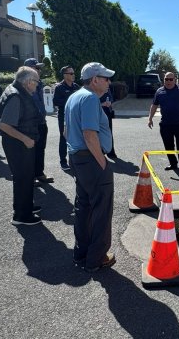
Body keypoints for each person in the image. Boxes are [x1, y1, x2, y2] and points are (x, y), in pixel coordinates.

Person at [64, 62, 117, 272]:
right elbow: (89, 134)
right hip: (91, 160)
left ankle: (82, 254)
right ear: (95, 80)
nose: (109, 82)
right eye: (105, 78)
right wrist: (102, 163)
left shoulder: (74, 96)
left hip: (78, 157)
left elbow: (66, 131)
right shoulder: (89, 98)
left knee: (84, 207)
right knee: (101, 210)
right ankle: (96, 258)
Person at [0, 66, 44, 226]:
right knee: (23, 178)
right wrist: (25, 139)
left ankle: (26, 207)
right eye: (36, 82)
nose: (38, 85)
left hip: (20, 143)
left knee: (25, 177)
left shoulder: (16, 91)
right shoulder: (16, 96)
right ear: (28, 82)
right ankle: (21, 215)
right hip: (18, 144)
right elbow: (4, 125)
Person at [24, 58, 53, 184]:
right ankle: (30, 178)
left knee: (41, 149)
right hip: (30, 124)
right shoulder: (24, 84)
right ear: (29, 69)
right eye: (37, 67)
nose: (39, 70)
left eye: (39, 68)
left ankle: (39, 173)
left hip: (41, 122)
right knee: (30, 151)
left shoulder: (39, 83)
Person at [53, 65, 80, 171]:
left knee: (76, 137)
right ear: (65, 75)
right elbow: (56, 102)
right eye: (71, 73)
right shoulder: (59, 87)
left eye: (73, 73)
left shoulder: (76, 86)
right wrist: (70, 102)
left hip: (75, 117)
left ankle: (74, 160)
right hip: (63, 117)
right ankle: (63, 162)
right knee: (64, 138)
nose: (73, 75)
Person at [100, 86, 117, 160]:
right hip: (99, 114)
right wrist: (102, 104)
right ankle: (101, 152)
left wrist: (110, 102)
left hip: (107, 113)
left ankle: (111, 152)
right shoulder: (95, 90)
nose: (108, 82)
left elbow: (111, 98)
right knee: (99, 134)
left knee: (109, 133)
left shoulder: (107, 88)